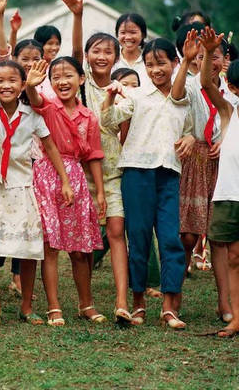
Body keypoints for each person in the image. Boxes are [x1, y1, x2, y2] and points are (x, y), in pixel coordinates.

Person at [0, 48, 72, 327]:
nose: (6, 85)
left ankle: (27, 306)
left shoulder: (32, 115)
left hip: (23, 187)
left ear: (23, 84)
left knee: (28, 249)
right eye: (0, 81)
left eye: (13, 80)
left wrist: (64, 181)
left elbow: (50, 148)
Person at [102, 38, 193, 329]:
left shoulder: (185, 97)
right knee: (138, 239)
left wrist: (191, 139)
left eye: (162, 63)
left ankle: (169, 307)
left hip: (169, 174)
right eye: (150, 64)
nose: (156, 70)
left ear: (175, 63)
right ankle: (138, 303)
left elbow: (193, 131)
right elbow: (110, 120)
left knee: (170, 240)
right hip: (137, 173)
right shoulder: (137, 95)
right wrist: (110, 97)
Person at [61, 0, 131, 322]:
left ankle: (121, 303)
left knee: (116, 232)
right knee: (83, 242)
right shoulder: (82, 84)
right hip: (80, 173)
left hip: (114, 171)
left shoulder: (123, 89)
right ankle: (86, 302)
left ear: (117, 57)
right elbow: (73, 54)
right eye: (96, 51)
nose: (101, 56)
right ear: (88, 57)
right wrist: (77, 15)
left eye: (108, 51)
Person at [26, 57, 105, 326]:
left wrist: (101, 193)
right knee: (50, 246)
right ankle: (54, 306)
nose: (62, 81)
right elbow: (34, 99)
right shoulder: (48, 107)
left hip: (77, 180)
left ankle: (87, 304)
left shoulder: (89, 117)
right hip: (47, 176)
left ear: (81, 79)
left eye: (68, 75)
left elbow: (94, 155)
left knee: (80, 249)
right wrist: (30, 86)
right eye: (56, 76)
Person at [173, 28, 232, 322]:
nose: (209, 61)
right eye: (204, 56)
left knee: (219, 238)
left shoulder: (231, 95)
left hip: (223, 167)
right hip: (195, 161)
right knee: (187, 234)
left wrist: (226, 141)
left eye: (216, 55)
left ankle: (225, 303)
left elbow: (228, 123)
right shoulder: (195, 86)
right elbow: (179, 98)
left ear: (227, 59)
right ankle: (175, 297)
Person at [199, 27, 239, 337]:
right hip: (229, 193)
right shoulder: (229, 111)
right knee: (233, 255)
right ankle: (236, 316)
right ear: (235, 89)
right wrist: (210, 52)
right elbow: (204, 83)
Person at [113, 13, 150, 88]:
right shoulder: (111, 57)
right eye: (123, 32)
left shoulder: (150, 58)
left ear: (143, 34)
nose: (128, 37)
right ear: (117, 34)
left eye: (133, 32)